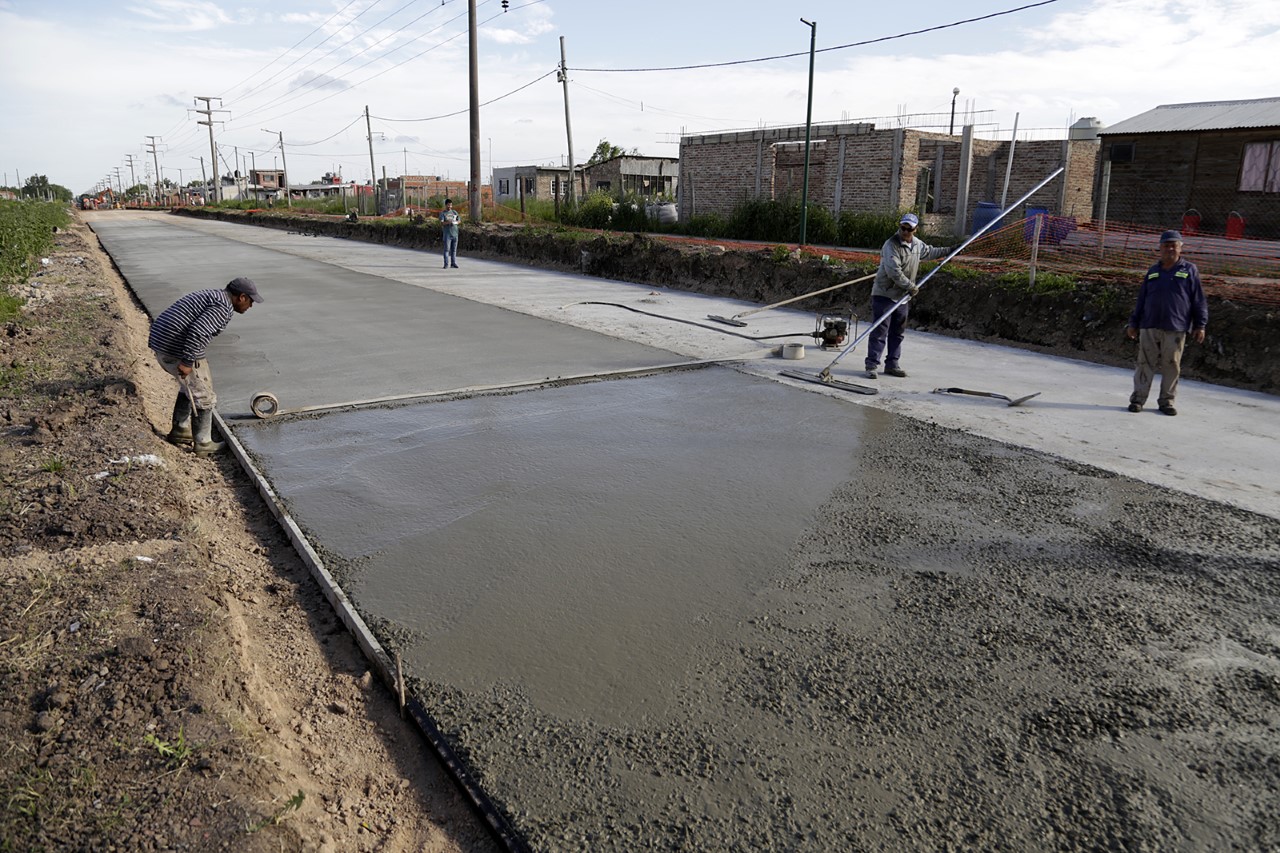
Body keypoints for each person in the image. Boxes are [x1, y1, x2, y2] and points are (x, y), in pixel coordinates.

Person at [148, 277, 263, 455]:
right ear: (241, 297)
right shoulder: (222, 308)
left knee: (191, 388)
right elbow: (197, 332)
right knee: (204, 395)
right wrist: (187, 362)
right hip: (173, 348)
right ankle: (203, 443)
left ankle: (180, 430)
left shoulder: (216, 296)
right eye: (251, 301)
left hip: (164, 343)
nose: (251, 306)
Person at [1125, 230, 1207, 416]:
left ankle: (1167, 401)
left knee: (1171, 364)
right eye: (1166, 245)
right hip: (1149, 324)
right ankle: (1138, 399)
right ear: (1160, 248)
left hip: (1176, 326)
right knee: (1144, 363)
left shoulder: (1189, 270)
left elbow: (1198, 300)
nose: (1170, 249)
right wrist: (1134, 323)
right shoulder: (1153, 271)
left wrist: (1200, 325)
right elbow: (1142, 299)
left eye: (1174, 245)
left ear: (1180, 248)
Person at [864, 212, 949, 379]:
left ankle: (892, 364)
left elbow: (931, 252)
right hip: (885, 294)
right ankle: (872, 365)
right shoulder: (891, 245)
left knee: (898, 332)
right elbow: (893, 272)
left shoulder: (917, 245)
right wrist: (911, 286)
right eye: (903, 228)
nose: (905, 231)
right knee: (880, 331)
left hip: (902, 297)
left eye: (909, 229)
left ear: (915, 230)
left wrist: (952, 250)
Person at [439, 198, 460, 268]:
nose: (450, 207)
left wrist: (455, 222)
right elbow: (441, 223)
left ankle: (453, 263)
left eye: (451, 205)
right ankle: (446, 264)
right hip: (447, 235)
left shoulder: (454, 212)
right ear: (445, 205)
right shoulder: (443, 213)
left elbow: (459, 221)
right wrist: (448, 222)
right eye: (448, 205)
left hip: (455, 234)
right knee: (447, 250)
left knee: (454, 250)